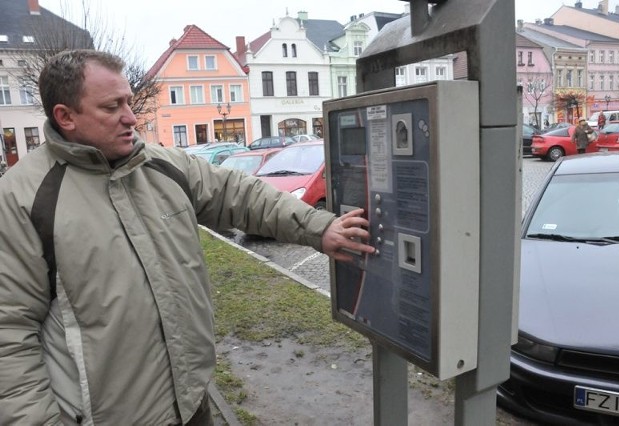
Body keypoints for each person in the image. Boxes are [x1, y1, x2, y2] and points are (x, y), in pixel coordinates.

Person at [0, 50, 375, 425]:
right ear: (66, 117)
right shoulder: (24, 199)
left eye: (129, 101)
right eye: (112, 107)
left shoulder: (160, 165)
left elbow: (238, 194)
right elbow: (9, 333)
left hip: (192, 402)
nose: (131, 118)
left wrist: (318, 227)